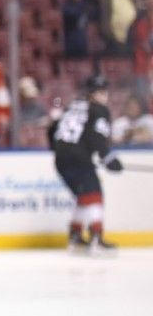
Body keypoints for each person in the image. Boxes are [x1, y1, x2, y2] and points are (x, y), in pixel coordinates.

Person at [48, 75, 123, 251]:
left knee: (84, 196)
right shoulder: (99, 110)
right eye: (101, 92)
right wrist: (108, 159)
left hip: (60, 159)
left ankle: (75, 236)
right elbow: (97, 138)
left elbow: (52, 129)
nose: (104, 95)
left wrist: (61, 150)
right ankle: (96, 237)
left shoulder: (72, 106)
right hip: (78, 159)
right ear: (92, 93)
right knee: (94, 194)